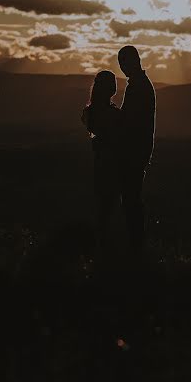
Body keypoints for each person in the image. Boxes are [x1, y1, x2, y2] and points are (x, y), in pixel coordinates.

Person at [117, 45, 156, 252]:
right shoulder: (141, 84)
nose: (123, 68)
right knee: (132, 198)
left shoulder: (138, 86)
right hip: (138, 151)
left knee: (131, 199)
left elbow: (130, 120)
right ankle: (135, 244)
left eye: (124, 63)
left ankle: (136, 245)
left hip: (134, 152)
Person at [81, 70, 121, 249]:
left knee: (104, 207)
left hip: (100, 163)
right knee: (110, 207)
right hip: (111, 164)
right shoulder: (111, 113)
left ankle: (103, 245)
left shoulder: (89, 112)